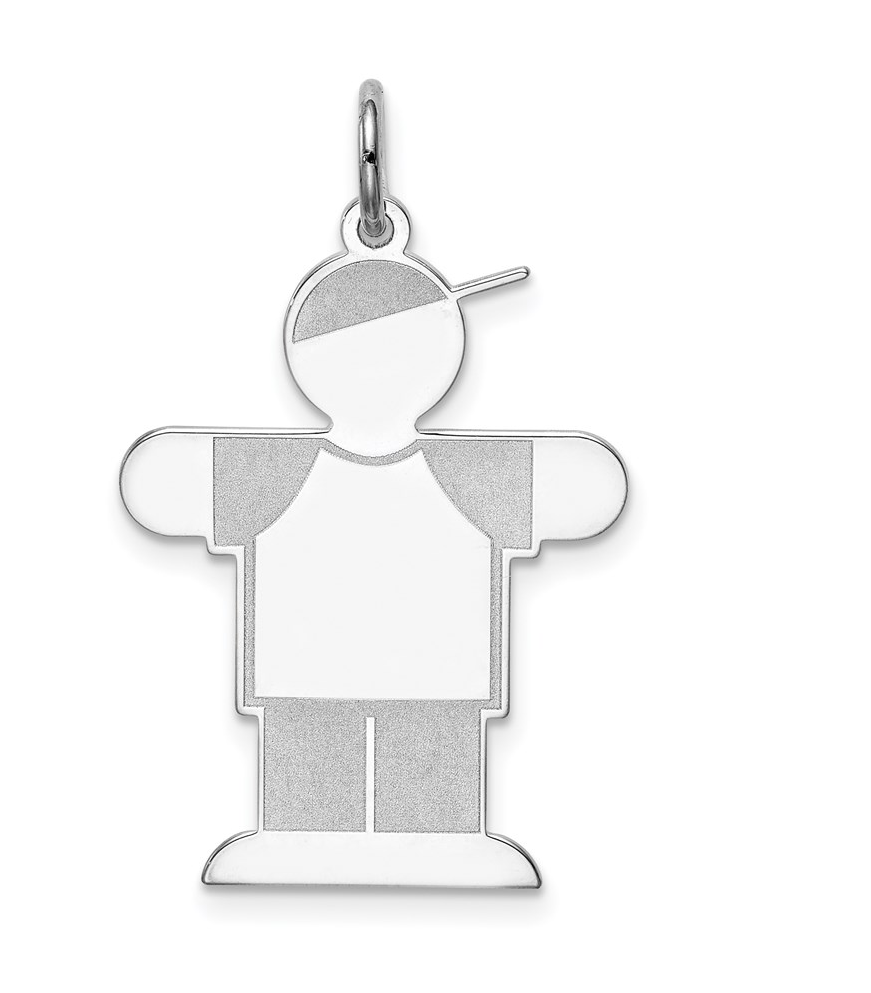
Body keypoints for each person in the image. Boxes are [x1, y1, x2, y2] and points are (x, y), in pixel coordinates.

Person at [120, 200, 626, 886]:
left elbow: (587, 486)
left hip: (426, 664)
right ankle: (304, 833)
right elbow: (162, 482)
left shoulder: (451, 475)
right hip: (318, 662)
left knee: (429, 748)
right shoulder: (294, 474)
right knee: (313, 747)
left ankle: (436, 836)